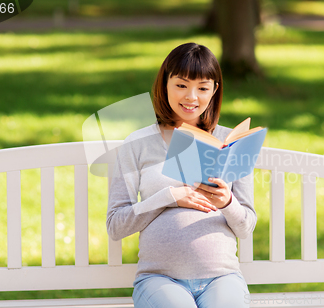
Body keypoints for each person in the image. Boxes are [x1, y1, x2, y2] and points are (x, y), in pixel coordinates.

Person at [107, 42, 257, 308]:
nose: (191, 97)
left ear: (214, 91)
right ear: (165, 83)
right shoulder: (138, 143)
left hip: (221, 278)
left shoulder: (230, 143)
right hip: (159, 280)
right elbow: (116, 226)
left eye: (202, 88)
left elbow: (246, 227)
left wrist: (227, 203)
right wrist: (169, 197)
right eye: (181, 85)